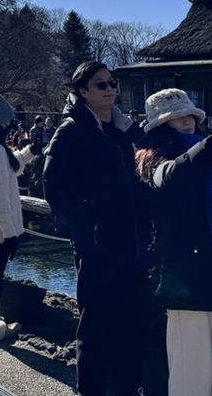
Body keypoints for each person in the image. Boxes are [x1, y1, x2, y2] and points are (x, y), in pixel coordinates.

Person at [43, 61, 148, 396]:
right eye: (101, 85)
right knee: (96, 329)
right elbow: (54, 189)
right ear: (82, 92)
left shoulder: (126, 131)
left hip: (134, 246)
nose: (110, 89)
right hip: (98, 249)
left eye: (112, 83)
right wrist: (90, 227)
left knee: (131, 326)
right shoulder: (72, 131)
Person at [136, 88, 212, 396]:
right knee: (191, 374)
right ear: (159, 127)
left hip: (201, 274)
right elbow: (176, 176)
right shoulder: (153, 162)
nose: (187, 123)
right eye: (177, 119)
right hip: (186, 280)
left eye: (190, 117)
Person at [0, 93, 39, 340]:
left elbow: (10, 168)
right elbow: (0, 196)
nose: (14, 126)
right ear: (3, 123)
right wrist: (11, 233)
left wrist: (29, 152)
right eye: (11, 122)